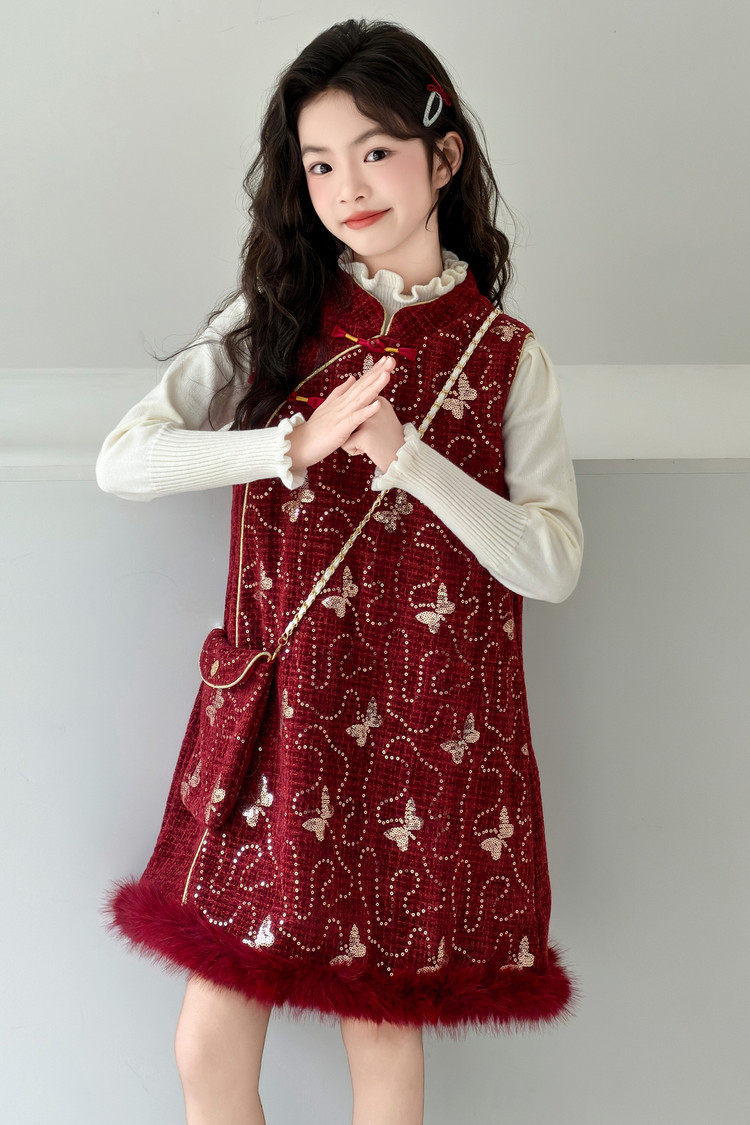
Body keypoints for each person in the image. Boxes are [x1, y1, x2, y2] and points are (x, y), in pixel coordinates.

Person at [97, 18, 584, 1125]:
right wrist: (292, 444)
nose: (346, 187)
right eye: (318, 164)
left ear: (442, 157)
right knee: (207, 1044)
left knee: (383, 1047)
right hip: (275, 724)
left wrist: (409, 460)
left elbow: (553, 562)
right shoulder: (274, 316)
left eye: (374, 152)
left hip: (421, 735)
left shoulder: (508, 357)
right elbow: (124, 460)